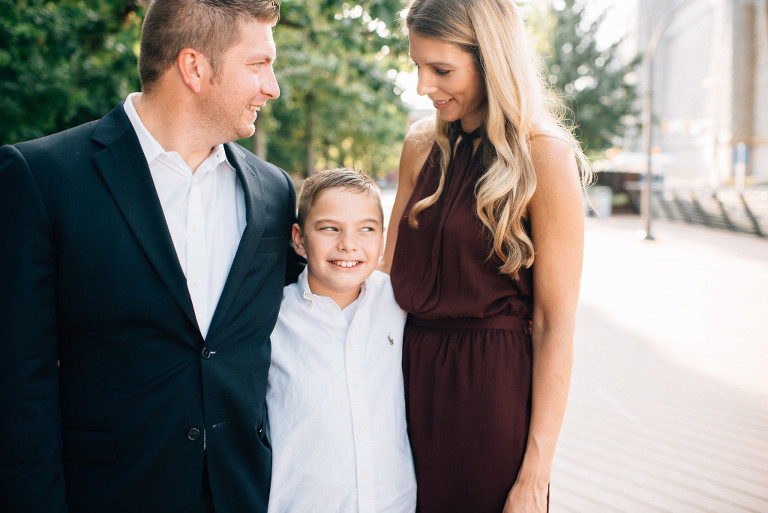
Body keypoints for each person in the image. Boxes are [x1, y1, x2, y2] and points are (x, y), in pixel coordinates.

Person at [0, 1, 303, 512]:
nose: (272, 87)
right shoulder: (41, 178)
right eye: (258, 65)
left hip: (242, 492)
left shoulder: (273, 192)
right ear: (194, 67)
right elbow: (18, 382)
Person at [380, 0, 590, 512]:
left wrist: (536, 474)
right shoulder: (420, 146)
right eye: (417, 66)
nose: (423, 86)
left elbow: (554, 324)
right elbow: (384, 275)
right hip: (402, 380)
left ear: (491, 60)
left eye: (441, 70)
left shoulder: (545, 157)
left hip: (490, 394)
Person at [266, 169, 417, 513]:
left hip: (393, 504)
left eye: (366, 229)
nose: (349, 244)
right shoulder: (272, 318)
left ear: (382, 240)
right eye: (330, 228)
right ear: (299, 239)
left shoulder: (400, 303)